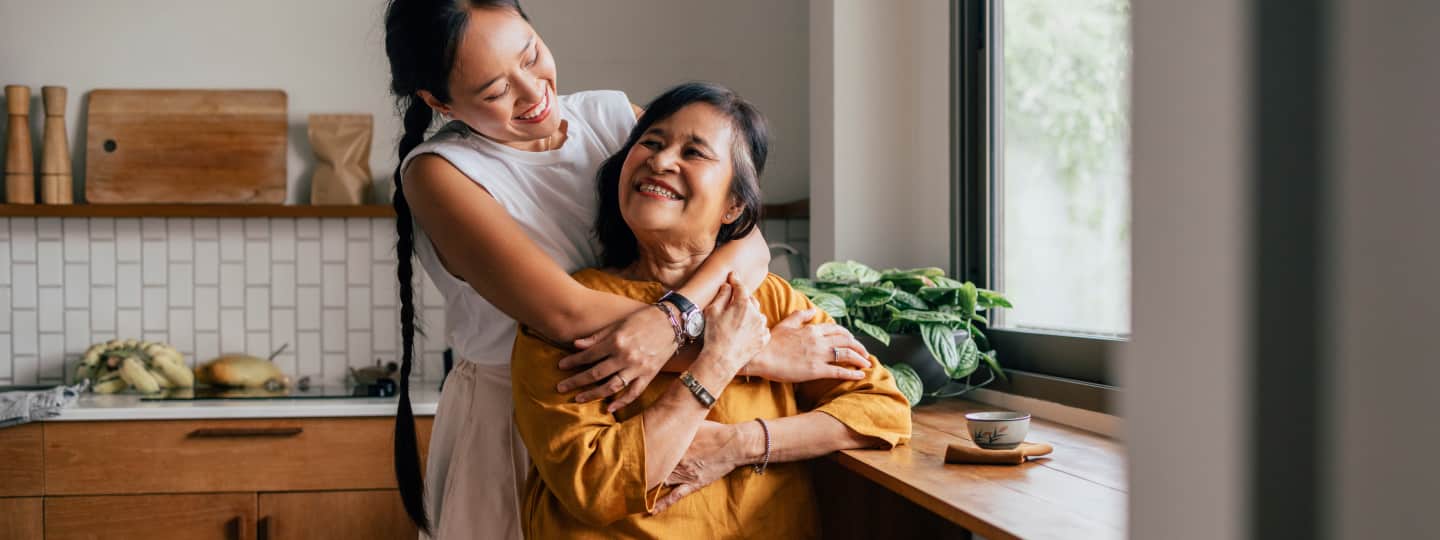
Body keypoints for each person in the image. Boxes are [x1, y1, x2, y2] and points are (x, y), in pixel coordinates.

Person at [381, 2, 876, 538]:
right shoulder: (438, 173)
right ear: (439, 102)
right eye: (496, 91)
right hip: (529, 417)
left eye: (531, 55)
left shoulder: (612, 117)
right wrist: (751, 353)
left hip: (644, 401)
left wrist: (674, 319)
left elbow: (746, 239)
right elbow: (565, 314)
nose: (532, 91)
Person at [511, 82, 913, 539]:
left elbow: (883, 409)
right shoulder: (568, 312)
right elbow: (595, 484)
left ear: (734, 205)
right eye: (652, 142)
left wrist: (740, 443)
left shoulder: (769, 300)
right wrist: (718, 362)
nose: (661, 161)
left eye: (694, 152)